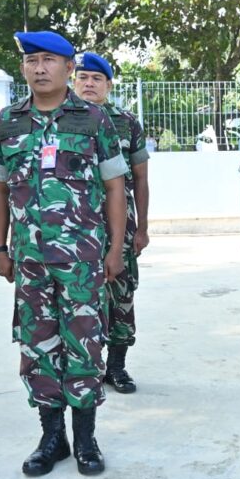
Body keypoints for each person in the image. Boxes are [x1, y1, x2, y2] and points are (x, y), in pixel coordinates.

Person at [0, 31, 128, 477]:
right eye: (32, 61)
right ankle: (52, 439)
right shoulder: (9, 120)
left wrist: (116, 248)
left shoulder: (93, 120)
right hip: (29, 260)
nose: (39, 68)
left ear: (69, 68)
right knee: (38, 348)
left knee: (84, 346)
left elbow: (114, 187)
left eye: (49, 60)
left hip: (83, 260)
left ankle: (86, 439)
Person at [73, 52, 150, 393]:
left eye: (96, 79)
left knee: (121, 294)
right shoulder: (62, 120)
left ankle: (117, 367)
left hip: (121, 226)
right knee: (80, 298)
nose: (89, 84)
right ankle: (88, 366)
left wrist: (143, 226)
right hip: (75, 228)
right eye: (83, 78)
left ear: (108, 85)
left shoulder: (127, 123)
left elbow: (141, 178)